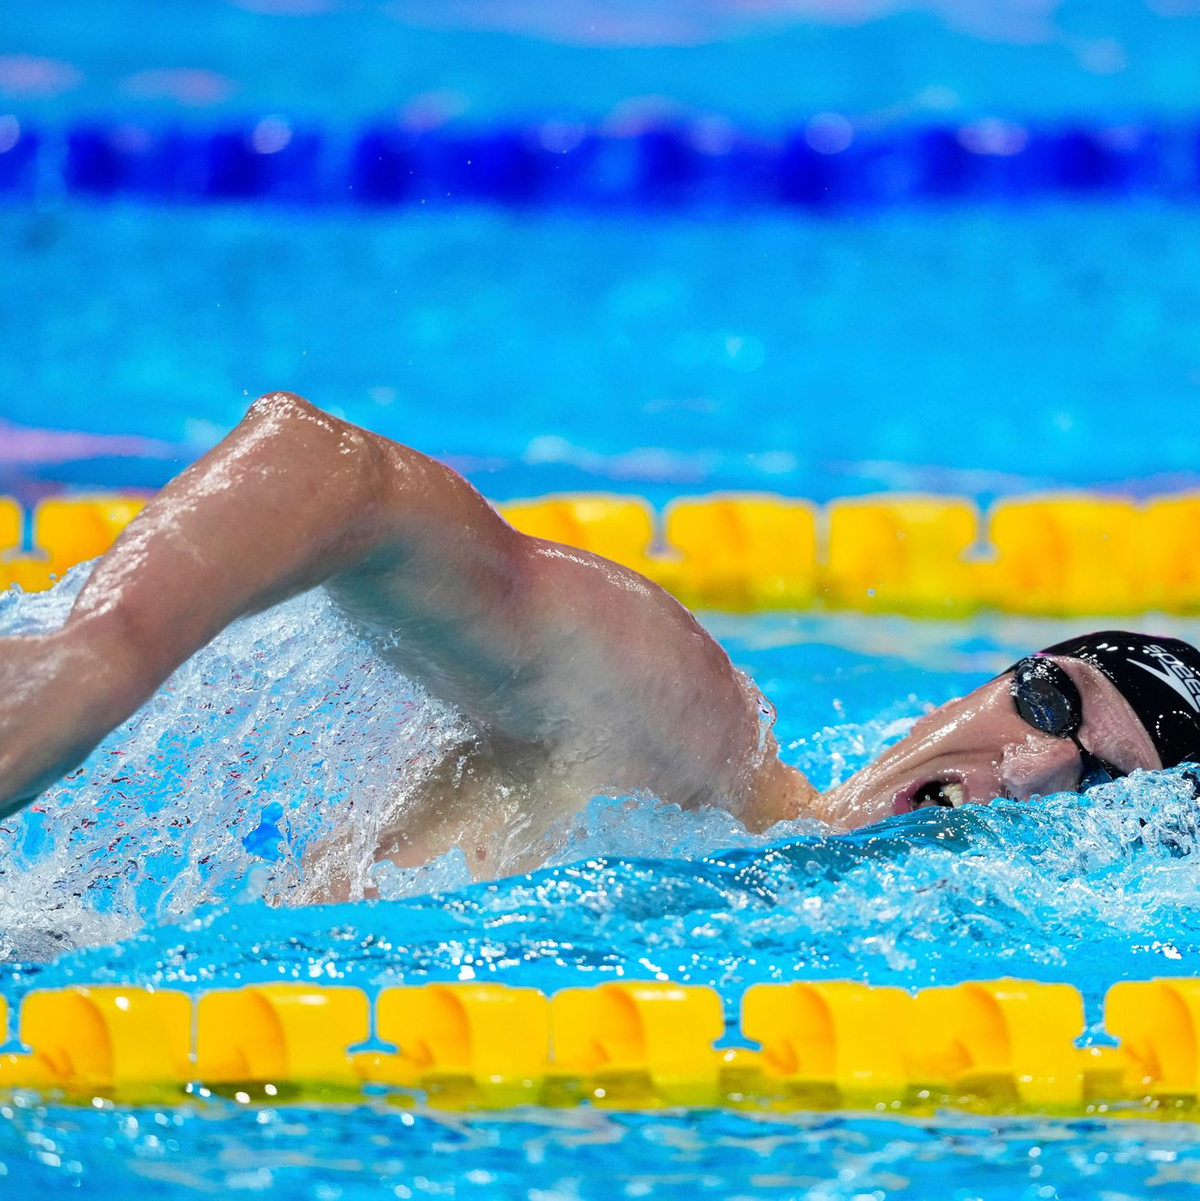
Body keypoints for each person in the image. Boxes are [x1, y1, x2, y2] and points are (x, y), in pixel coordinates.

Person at [1, 394, 1199, 890]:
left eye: (1100, 783)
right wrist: (96, 652)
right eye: (1052, 706)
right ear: (981, 686)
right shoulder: (687, 740)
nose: (1042, 767)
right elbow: (335, 469)